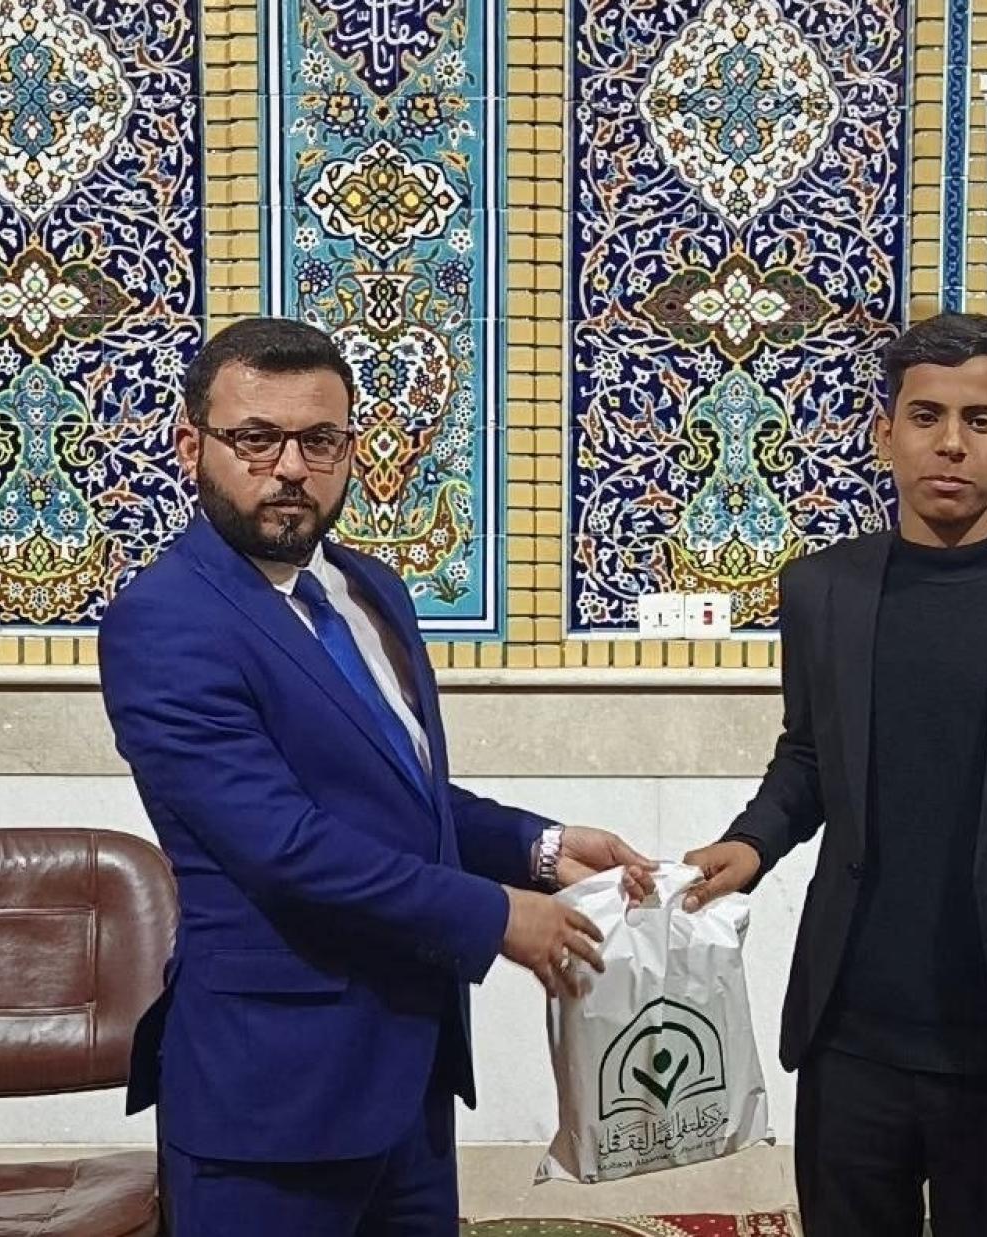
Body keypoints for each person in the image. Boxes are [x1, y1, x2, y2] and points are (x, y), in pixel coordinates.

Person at [99, 317, 653, 1237]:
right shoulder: (164, 622)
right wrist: (496, 915)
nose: (290, 467)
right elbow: (285, 847)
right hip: (271, 1099)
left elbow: (401, 799)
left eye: (319, 440)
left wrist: (540, 849)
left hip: (411, 1079)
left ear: (351, 449)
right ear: (192, 446)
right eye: (256, 438)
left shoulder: (370, 591)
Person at [683, 312, 987, 1236]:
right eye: (926, 416)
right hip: (852, 1042)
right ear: (885, 434)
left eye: (980, 420)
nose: (951, 443)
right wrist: (752, 842)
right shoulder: (822, 591)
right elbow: (811, 754)